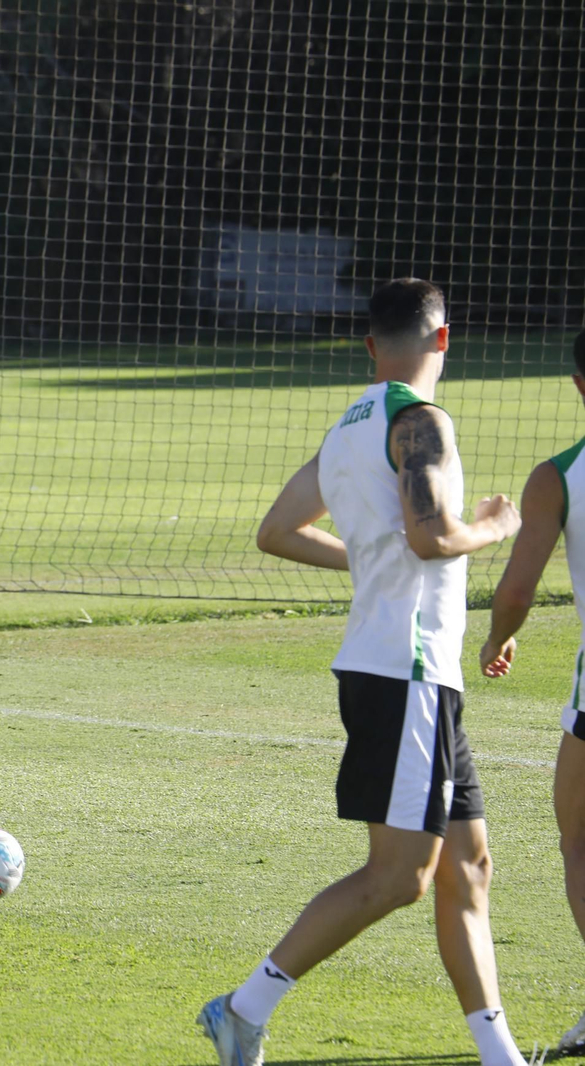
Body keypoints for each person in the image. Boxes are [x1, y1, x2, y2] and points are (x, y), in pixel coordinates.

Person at [199, 279, 527, 1066]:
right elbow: (432, 537)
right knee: (401, 877)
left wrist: (370, 562)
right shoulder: (420, 423)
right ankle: (243, 1008)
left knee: (468, 865)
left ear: (371, 346)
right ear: (443, 341)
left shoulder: (350, 425)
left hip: (414, 674)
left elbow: (278, 531)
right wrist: (495, 524)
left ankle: (501, 1056)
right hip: (405, 673)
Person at [479, 329, 585, 1056]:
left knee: (579, 837)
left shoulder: (560, 475)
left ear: (579, 384)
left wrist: (497, 637)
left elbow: (518, 588)